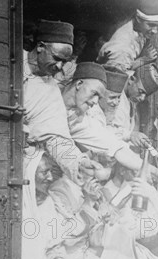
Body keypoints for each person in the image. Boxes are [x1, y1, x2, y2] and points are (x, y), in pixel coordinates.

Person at [62, 62, 158, 185]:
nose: (94, 102)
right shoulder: (50, 97)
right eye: (94, 94)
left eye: (98, 97)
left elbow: (113, 145)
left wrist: (154, 171)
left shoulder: (81, 120)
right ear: (78, 84)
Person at [23, 19, 100, 184]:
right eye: (56, 58)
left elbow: (58, 140)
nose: (59, 66)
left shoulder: (50, 91)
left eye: (64, 62)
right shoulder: (9, 60)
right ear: (41, 47)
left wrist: (79, 163)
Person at [97, 0, 158, 73]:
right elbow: (116, 77)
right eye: (151, 25)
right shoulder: (123, 47)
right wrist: (143, 60)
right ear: (138, 19)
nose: (155, 31)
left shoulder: (138, 26)